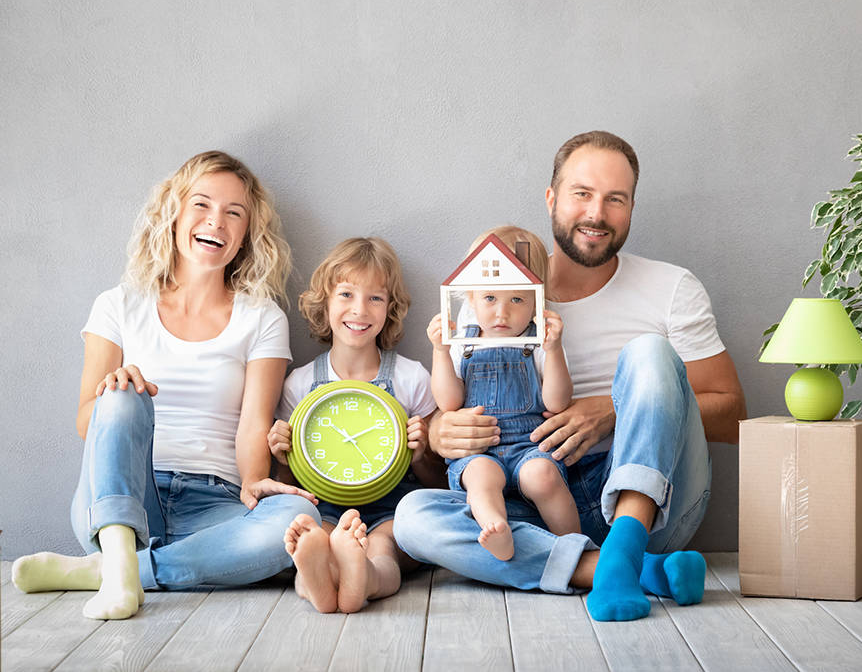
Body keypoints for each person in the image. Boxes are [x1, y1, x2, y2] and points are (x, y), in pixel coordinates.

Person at [394, 131, 747, 622]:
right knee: (413, 519)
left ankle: (626, 544)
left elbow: (732, 415)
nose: (596, 214)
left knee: (647, 352)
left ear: (630, 207)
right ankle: (621, 571)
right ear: (552, 198)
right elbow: (450, 401)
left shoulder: (671, 288)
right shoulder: (500, 299)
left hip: (649, 501)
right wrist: (438, 430)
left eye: (615, 199)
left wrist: (614, 409)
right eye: (582, 193)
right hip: (531, 500)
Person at [12, 151, 320, 620]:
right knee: (117, 395)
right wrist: (112, 391)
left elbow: (253, 424)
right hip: (125, 497)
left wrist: (257, 482)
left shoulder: (262, 318)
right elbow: (84, 423)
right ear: (174, 213)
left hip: (216, 503)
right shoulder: (118, 305)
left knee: (298, 524)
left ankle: (111, 574)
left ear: (246, 236)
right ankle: (119, 555)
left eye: (234, 213)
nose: (215, 221)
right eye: (202, 204)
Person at [268, 237, 444, 613]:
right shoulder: (300, 384)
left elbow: (438, 482)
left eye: (375, 298)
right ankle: (315, 575)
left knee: (383, 548)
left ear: (389, 309)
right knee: (317, 538)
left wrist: (422, 453)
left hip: (394, 507)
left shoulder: (410, 377)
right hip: (325, 507)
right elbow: (288, 485)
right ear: (326, 303)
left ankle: (362, 576)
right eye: (346, 294)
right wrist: (283, 460)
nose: (360, 310)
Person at [426, 226, 578, 561]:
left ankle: (575, 547)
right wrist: (440, 352)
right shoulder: (464, 340)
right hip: (481, 449)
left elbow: (557, 402)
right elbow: (449, 403)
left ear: (537, 299)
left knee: (543, 476)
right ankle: (497, 530)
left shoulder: (539, 340)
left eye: (517, 299)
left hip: (529, 444)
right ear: (470, 297)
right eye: (490, 298)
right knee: (481, 476)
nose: (502, 313)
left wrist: (553, 352)